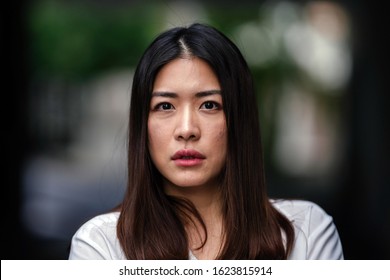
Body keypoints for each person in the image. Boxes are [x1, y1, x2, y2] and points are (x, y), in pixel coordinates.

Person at [68, 23, 343, 260]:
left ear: (239, 119)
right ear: (143, 124)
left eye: (209, 105)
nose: (187, 130)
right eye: (165, 106)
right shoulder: (101, 245)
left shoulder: (306, 233)